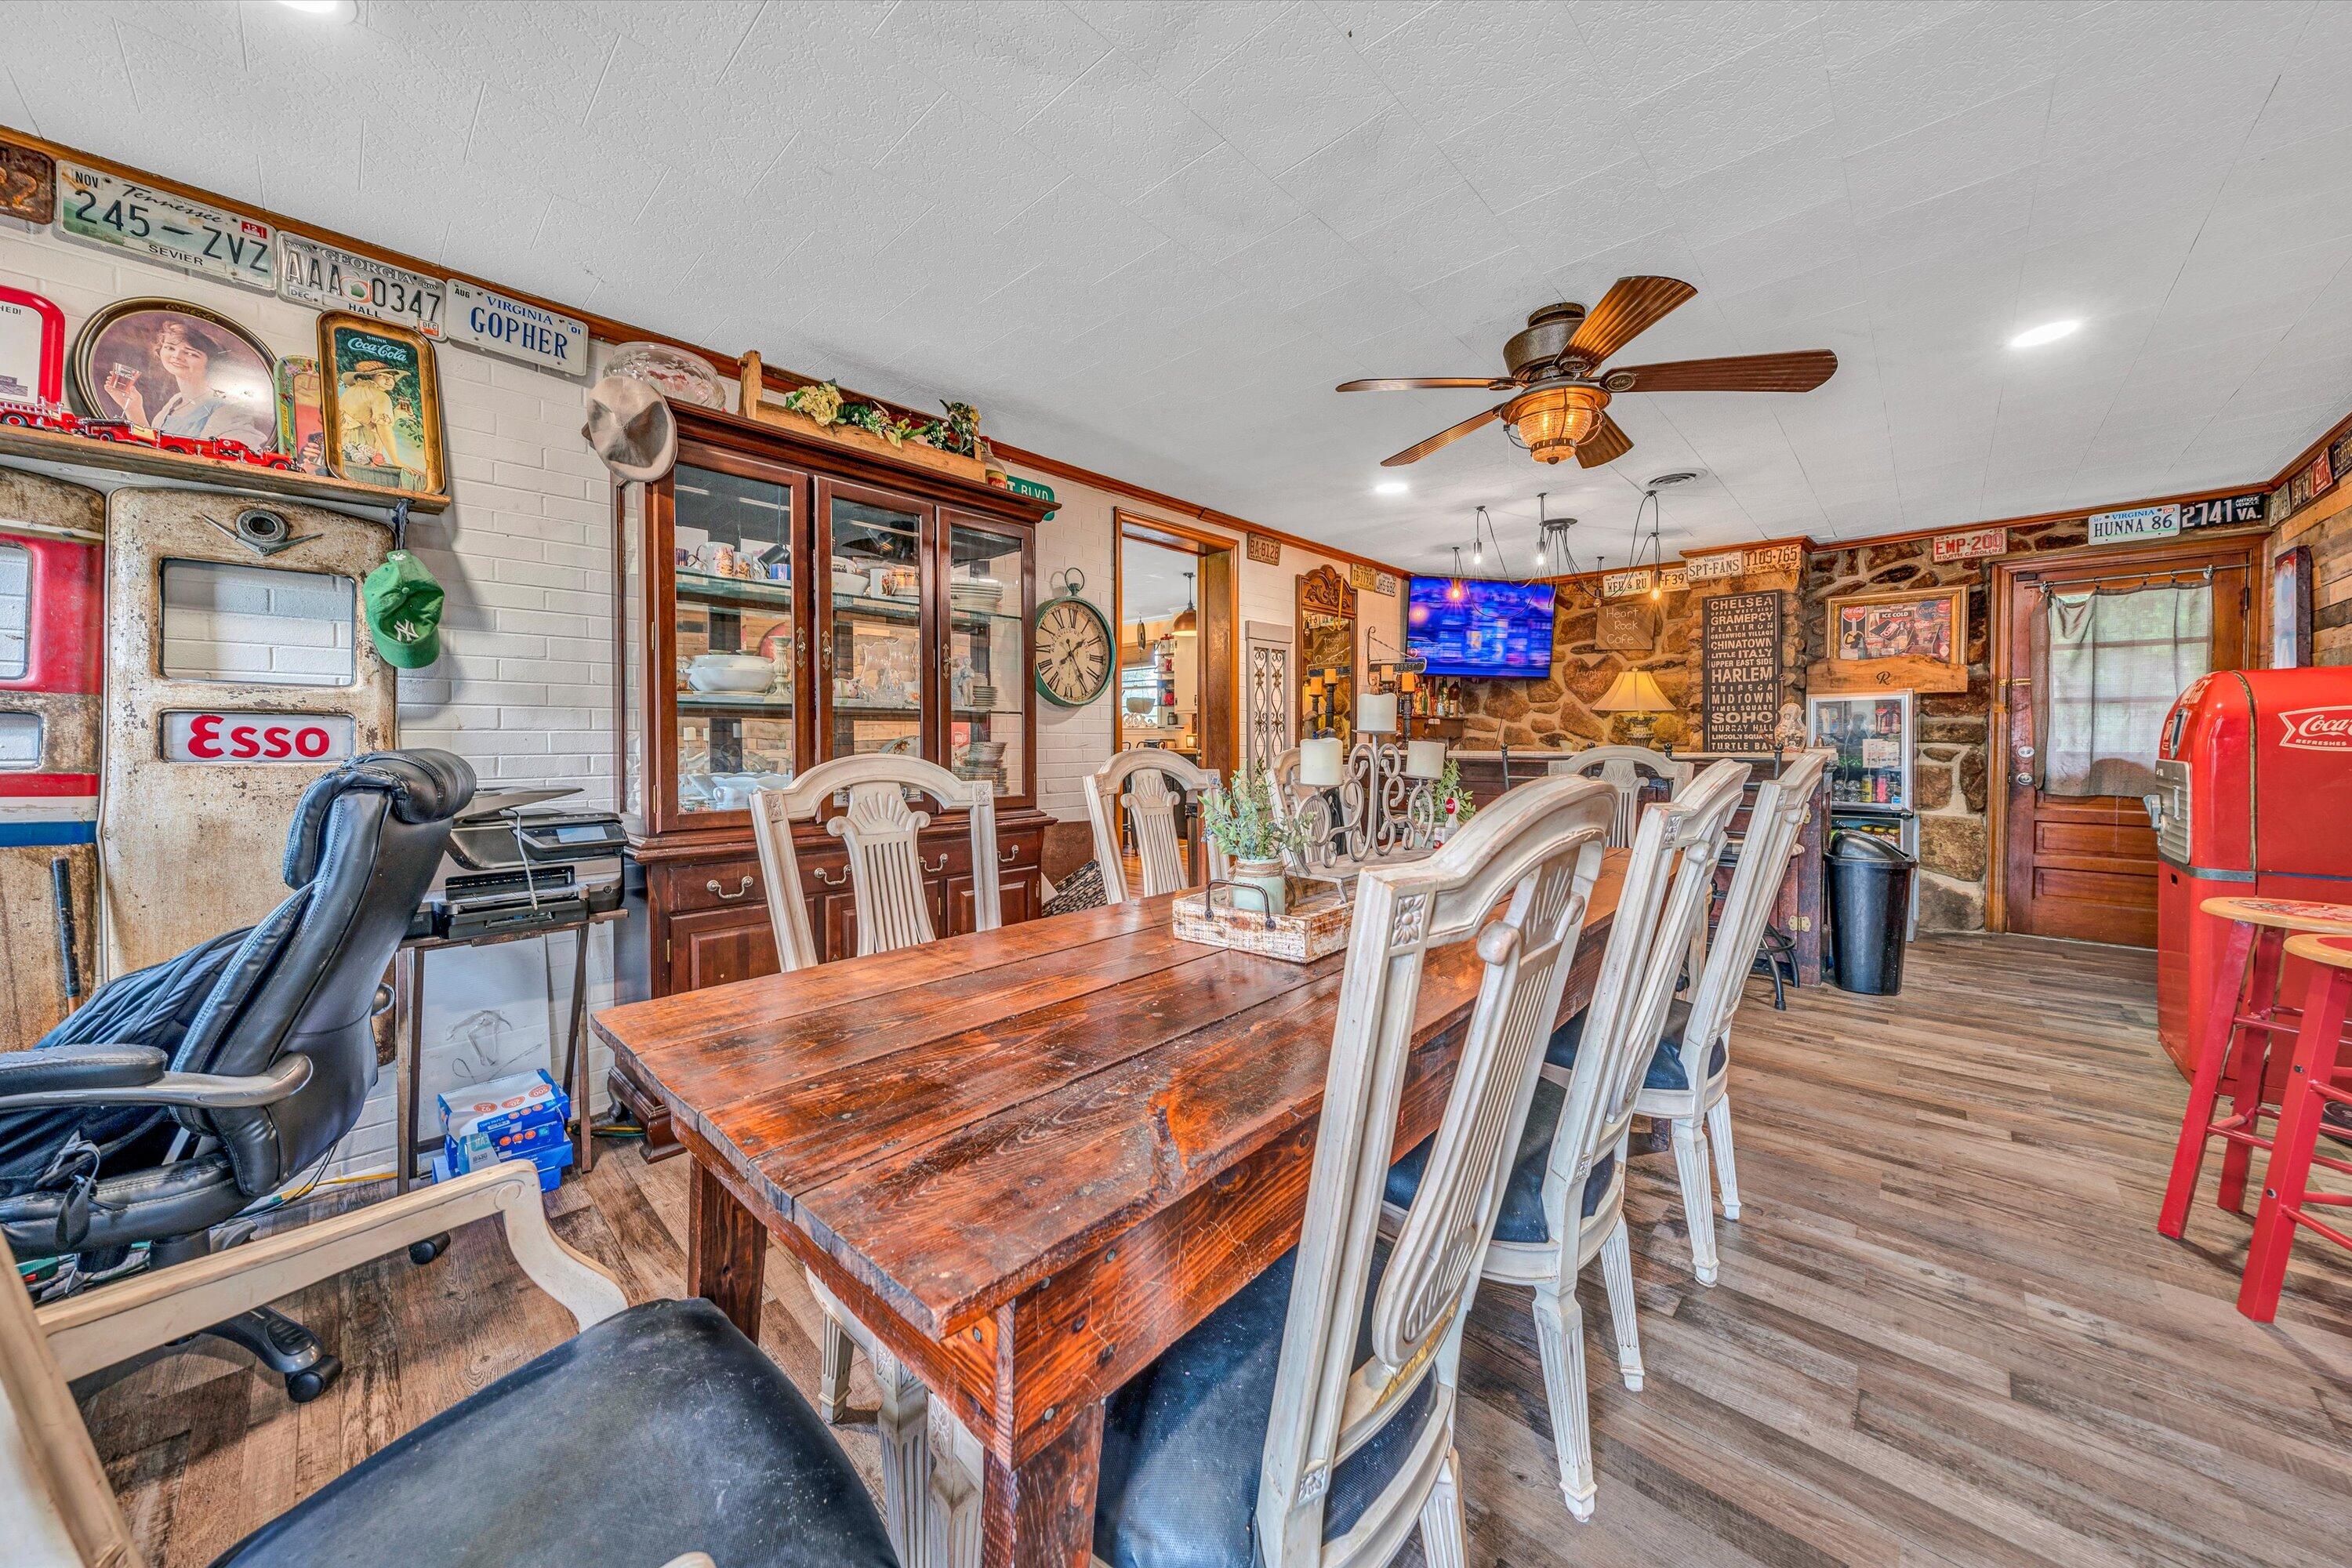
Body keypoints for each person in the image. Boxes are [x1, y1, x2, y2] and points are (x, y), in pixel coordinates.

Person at [99, 318, 274, 447]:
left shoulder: (227, 409)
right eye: (170, 348)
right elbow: (153, 450)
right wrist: (134, 408)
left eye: (190, 353)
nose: (177, 356)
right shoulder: (173, 404)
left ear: (210, 363)